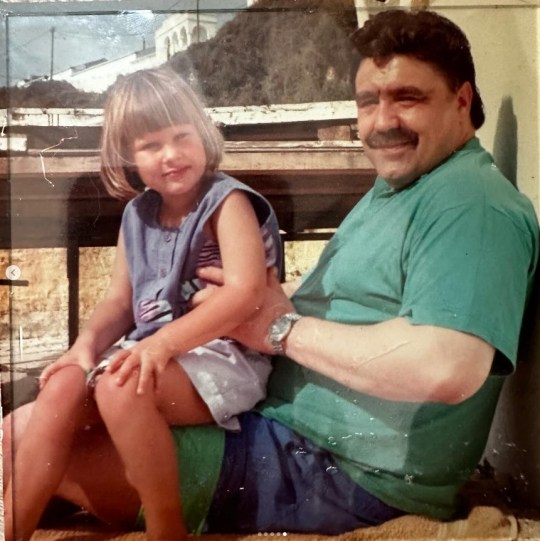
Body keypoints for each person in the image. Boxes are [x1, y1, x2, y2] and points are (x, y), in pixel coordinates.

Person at [3, 7, 539, 537]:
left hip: (336, 471)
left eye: (408, 98)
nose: (382, 122)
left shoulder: (472, 206)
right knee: (29, 425)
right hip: (282, 434)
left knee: (26, 442)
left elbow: (447, 366)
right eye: (368, 102)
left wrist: (278, 330)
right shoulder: (403, 189)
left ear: (462, 100)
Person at [2, 67, 282, 541]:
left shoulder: (226, 201)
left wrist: (163, 345)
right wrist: (84, 348)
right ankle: (13, 529)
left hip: (225, 353)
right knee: (63, 386)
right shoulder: (137, 214)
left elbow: (244, 293)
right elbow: (119, 300)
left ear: (203, 134)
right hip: (155, 352)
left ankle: (165, 525)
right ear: (128, 155)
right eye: (151, 145)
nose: (170, 155)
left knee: (117, 384)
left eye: (180, 137)